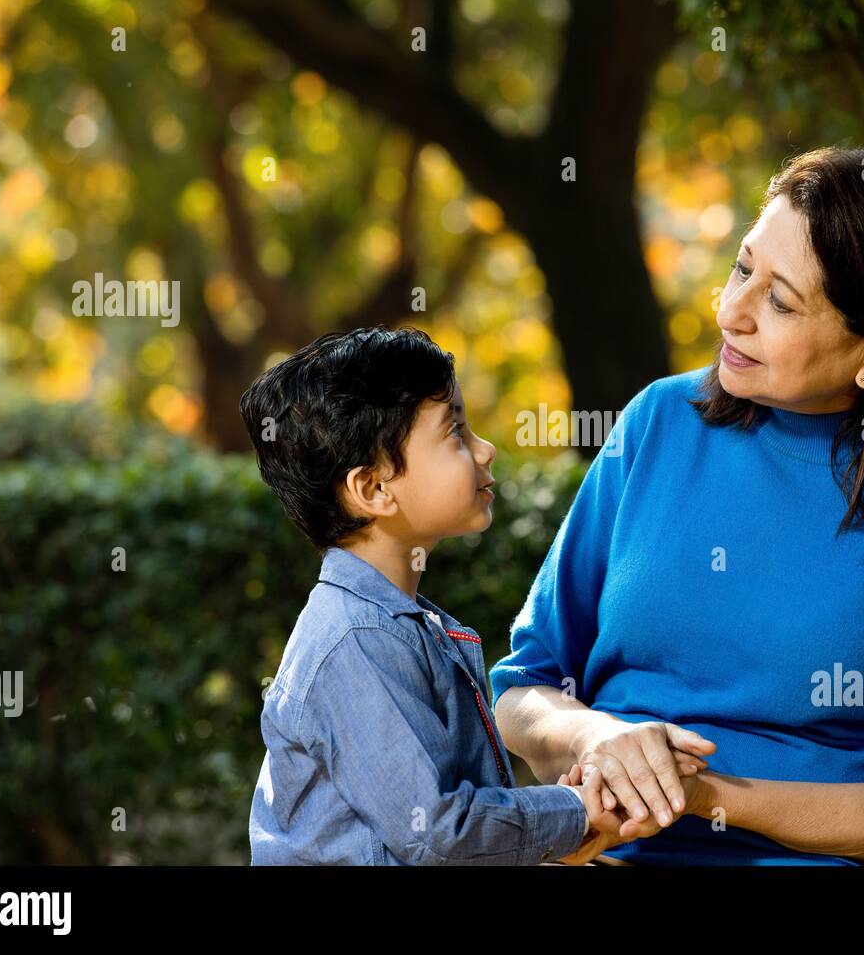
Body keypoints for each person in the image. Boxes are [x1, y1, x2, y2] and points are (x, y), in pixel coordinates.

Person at [492, 146, 864, 865]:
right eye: (742, 268)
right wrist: (591, 736)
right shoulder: (659, 421)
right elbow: (523, 690)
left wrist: (705, 797)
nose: (731, 312)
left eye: (781, 301)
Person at [240, 326, 701, 864]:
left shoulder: (407, 625)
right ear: (374, 488)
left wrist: (574, 815)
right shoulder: (356, 640)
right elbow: (438, 832)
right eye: (454, 431)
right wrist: (574, 809)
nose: (485, 449)